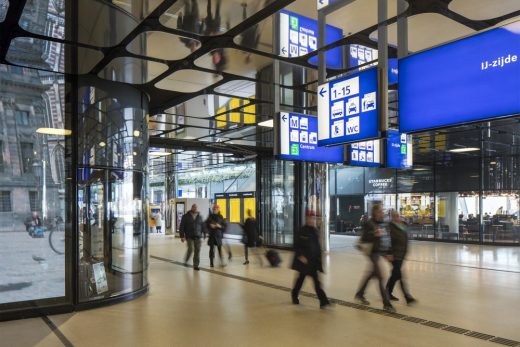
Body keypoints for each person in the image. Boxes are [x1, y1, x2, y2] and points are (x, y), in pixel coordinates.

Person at [355, 204, 395, 312]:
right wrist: (374, 234)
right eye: (381, 211)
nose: (383, 213)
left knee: (372, 274)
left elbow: (385, 239)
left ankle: (359, 294)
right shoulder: (369, 223)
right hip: (372, 253)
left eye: (382, 211)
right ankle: (387, 304)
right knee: (381, 277)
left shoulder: (381, 223)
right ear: (376, 213)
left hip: (379, 252)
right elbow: (364, 238)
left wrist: (388, 252)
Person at [291, 210, 330, 309]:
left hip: (313, 262)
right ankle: (294, 295)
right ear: (306, 219)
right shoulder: (302, 230)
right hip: (304, 262)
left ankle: (323, 301)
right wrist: (300, 256)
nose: (312, 220)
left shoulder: (315, 231)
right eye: (310, 218)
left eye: (313, 218)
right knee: (300, 280)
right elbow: (296, 245)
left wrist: (319, 259)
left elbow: (317, 247)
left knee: (317, 282)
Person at [386, 210, 416, 305]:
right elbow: (387, 241)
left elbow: (406, 239)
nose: (396, 218)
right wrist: (389, 253)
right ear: (391, 217)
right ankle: (407, 297)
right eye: (394, 216)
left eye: (397, 216)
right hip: (394, 255)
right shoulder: (390, 227)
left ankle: (387, 292)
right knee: (399, 275)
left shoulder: (403, 225)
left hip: (401, 254)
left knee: (395, 275)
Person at [179, 204, 204, 271]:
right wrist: (182, 236)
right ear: (191, 208)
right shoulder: (185, 216)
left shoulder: (200, 217)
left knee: (197, 250)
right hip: (189, 236)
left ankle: (196, 265)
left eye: (196, 207)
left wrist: (204, 234)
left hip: (198, 236)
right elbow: (182, 226)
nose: (195, 208)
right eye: (194, 207)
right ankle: (186, 261)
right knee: (190, 249)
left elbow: (202, 226)